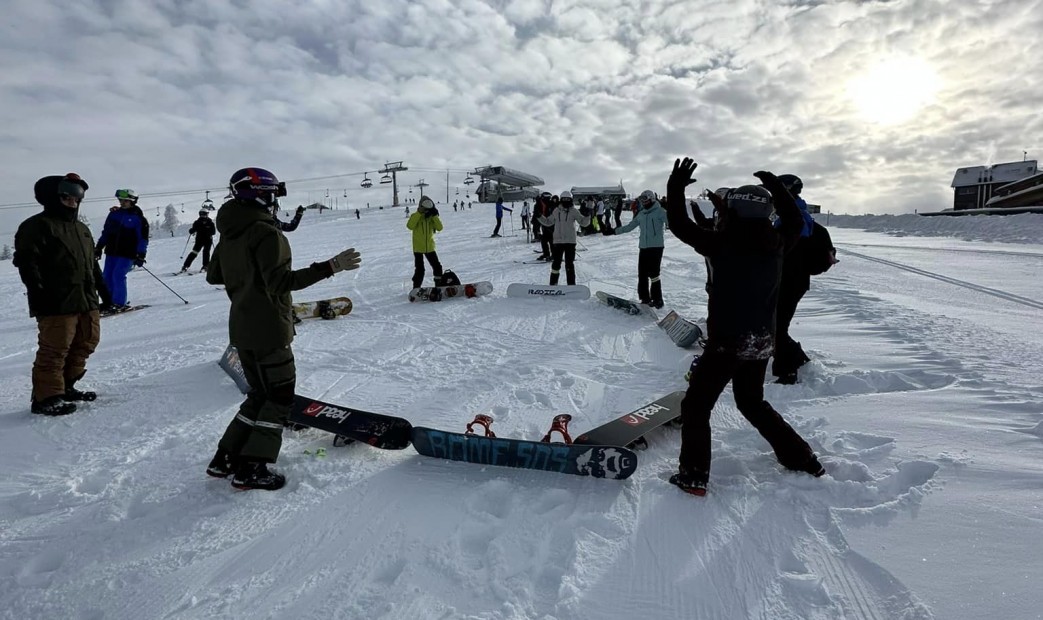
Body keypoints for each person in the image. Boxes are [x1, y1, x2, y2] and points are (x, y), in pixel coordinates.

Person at [663, 157, 824, 496]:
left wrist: (676, 187)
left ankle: (694, 475)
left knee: (695, 407)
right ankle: (802, 458)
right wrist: (777, 188)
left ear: (732, 210)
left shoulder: (719, 241)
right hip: (762, 341)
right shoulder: (778, 241)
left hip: (727, 342)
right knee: (752, 403)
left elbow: (678, 223)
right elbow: (794, 219)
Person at [205, 167, 361, 490]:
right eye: (272, 193)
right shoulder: (265, 233)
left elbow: (214, 275)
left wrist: (245, 277)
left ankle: (226, 457)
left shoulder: (230, 232)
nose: (274, 200)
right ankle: (252, 467)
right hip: (269, 331)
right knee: (279, 398)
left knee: (258, 395)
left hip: (242, 330)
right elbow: (281, 283)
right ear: (260, 194)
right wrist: (331, 266)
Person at [14, 173, 110, 416]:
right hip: (56, 300)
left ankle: (66, 386)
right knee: (55, 349)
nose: (73, 200)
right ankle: (46, 397)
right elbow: (28, 263)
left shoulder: (82, 229)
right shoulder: (36, 226)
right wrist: (38, 294)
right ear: (52, 196)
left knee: (87, 342)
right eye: (66, 195)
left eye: (77, 196)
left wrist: (105, 291)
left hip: (86, 299)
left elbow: (92, 264)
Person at [772, 174, 819, 384]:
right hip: (787, 277)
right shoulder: (790, 214)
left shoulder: (797, 216)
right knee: (776, 324)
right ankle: (798, 358)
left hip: (792, 279)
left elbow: (791, 249)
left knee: (777, 327)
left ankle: (787, 371)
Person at [603, 189, 667, 308]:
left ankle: (658, 299)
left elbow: (671, 223)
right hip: (643, 247)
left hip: (656, 247)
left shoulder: (660, 212)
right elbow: (629, 227)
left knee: (654, 274)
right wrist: (614, 231)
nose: (643, 202)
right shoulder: (641, 214)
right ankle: (645, 299)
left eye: (645, 200)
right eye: (641, 200)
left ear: (652, 199)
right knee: (642, 274)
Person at [95, 189, 149, 309]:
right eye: (121, 200)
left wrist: (141, 254)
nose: (122, 203)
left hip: (128, 253)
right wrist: (99, 247)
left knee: (118, 275)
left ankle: (118, 303)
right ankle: (108, 302)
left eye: (126, 201)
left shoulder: (139, 219)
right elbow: (106, 232)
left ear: (132, 201)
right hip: (111, 252)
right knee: (106, 276)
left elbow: (142, 238)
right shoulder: (114, 214)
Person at [537, 191, 590, 285]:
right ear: (561, 200)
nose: (566, 201)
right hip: (558, 242)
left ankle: (571, 285)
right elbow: (548, 222)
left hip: (570, 242)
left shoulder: (574, 211)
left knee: (569, 265)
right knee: (556, 264)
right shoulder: (556, 211)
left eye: (568, 199)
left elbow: (583, 222)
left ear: (571, 200)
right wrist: (539, 216)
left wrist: (587, 215)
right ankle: (553, 284)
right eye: (564, 199)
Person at [407, 196, 444, 288]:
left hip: (430, 247)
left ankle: (438, 285)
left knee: (437, 267)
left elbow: (440, 228)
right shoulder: (415, 216)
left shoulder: (431, 217)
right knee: (420, 269)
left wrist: (435, 216)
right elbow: (410, 226)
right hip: (418, 248)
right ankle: (416, 287)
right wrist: (419, 213)